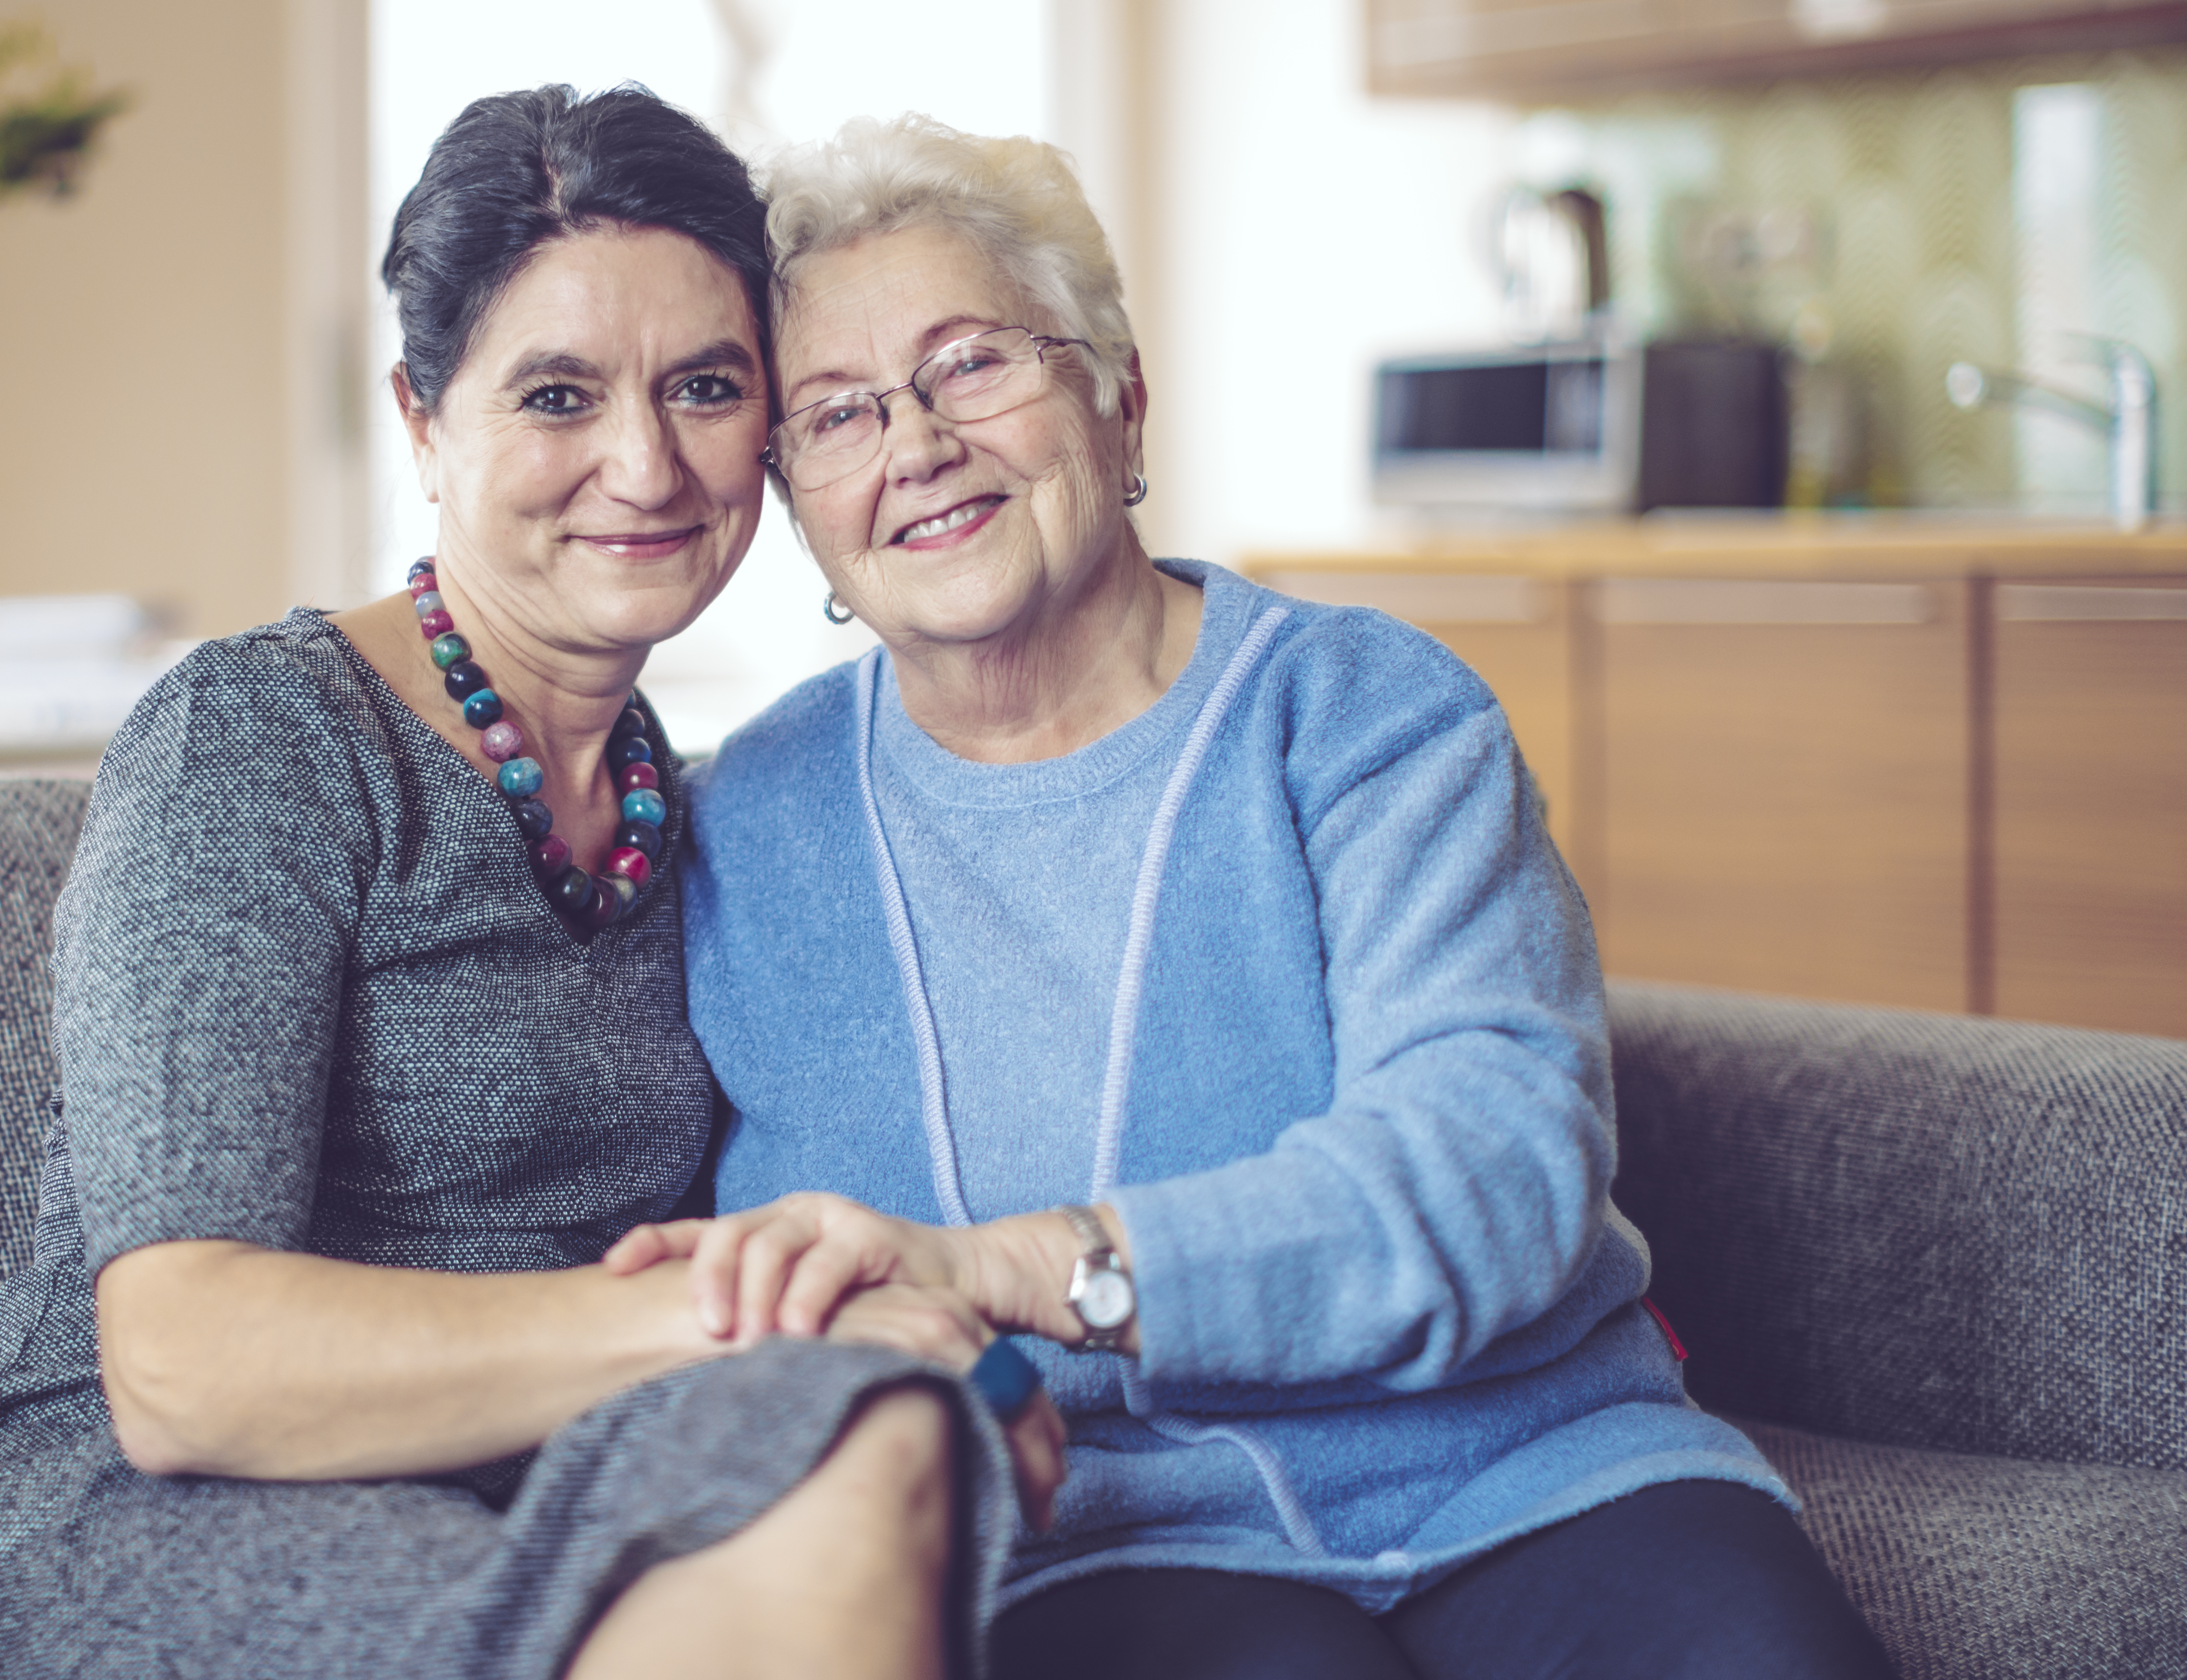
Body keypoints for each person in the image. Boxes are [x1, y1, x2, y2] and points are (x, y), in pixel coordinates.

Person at [613, 114, 1896, 1680]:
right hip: (1105, 1535)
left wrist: (1027, 1264)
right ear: (799, 505)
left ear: (1116, 394)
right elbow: (800, 1292)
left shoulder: (1372, 718)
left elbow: (1496, 1167)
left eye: (972, 365)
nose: (917, 445)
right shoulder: (751, 827)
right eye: (837, 416)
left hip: (1529, 1473)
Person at [0, 86, 1060, 1680]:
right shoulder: (259, 741)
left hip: (521, 1496)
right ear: (422, 422)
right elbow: (182, 1363)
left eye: (703, 386)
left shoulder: (694, 813)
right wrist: (755, 1323)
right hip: (139, 1522)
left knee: (886, 1441)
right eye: (556, 394)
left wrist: (944, 1370)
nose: (645, 463)